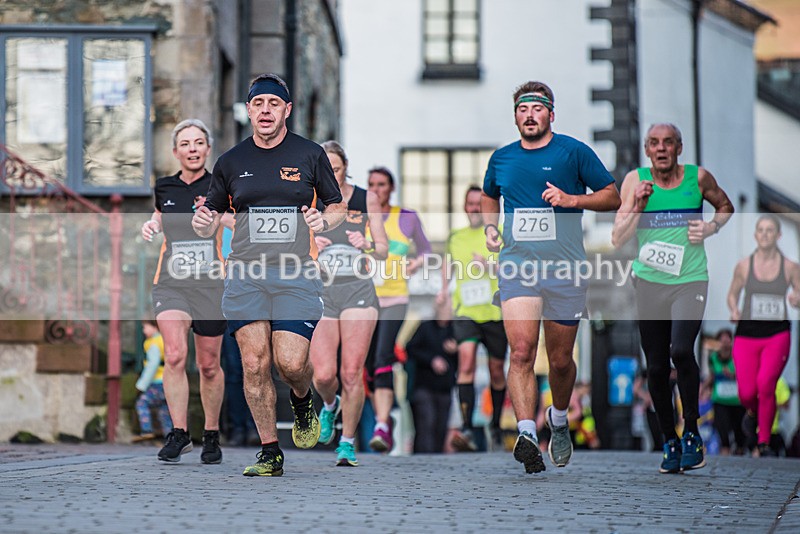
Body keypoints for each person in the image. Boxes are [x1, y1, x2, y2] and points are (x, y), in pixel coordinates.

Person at [192, 73, 345, 477]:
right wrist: (202, 223)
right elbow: (208, 218)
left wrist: (323, 222)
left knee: (291, 363)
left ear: (286, 111)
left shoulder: (310, 155)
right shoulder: (230, 162)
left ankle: (301, 397)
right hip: (245, 272)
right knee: (255, 364)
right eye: (258, 104)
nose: (264, 111)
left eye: (273, 104)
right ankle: (270, 450)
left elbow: (337, 207)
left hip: (295, 273)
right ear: (249, 110)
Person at [482, 81, 621, 474]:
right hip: (517, 266)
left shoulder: (573, 152)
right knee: (522, 351)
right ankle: (527, 433)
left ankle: (558, 419)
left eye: (537, 108)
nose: (529, 115)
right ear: (516, 116)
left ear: (550, 114)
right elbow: (489, 195)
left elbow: (613, 196)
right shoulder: (502, 158)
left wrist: (572, 199)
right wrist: (491, 229)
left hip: (565, 270)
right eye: (522, 109)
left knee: (560, 361)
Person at [613, 122, 734, 473]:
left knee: (681, 350)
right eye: (654, 143)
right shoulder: (636, 182)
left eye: (668, 143)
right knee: (654, 365)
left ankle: (692, 432)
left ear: (679, 148)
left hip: (690, 279)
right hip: (650, 282)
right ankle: (670, 438)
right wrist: (637, 205)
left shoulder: (698, 179)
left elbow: (725, 206)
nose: (661, 148)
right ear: (647, 151)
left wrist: (710, 227)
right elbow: (618, 237)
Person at [141, 118, 228, 464]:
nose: (192, 149)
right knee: (175, 355)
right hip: (171, 283)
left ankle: (210, 434)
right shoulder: (164, 187)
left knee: (208, 365)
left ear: (208, 149)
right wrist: (151, 224)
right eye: (185, 144)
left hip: (209, 285)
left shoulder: (220, 186)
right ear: (175, 151)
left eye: (199, 143)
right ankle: (178, 433)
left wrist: (219, 220)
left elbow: (236, 220)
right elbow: (160, 217)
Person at [310, 141, 389, 466]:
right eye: (325, 169)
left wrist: (367, 243)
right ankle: (330, 405)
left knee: (352, 371)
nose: (332, 174)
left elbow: (384, 248)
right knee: (324, 375)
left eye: (337, 168)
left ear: (345, 168)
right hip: (321, 290)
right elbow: (290, 241)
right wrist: (311, 242)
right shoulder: (309, 199)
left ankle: (347, 442)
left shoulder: (364, 198)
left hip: (357, 288)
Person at [364, 166, 432, 452]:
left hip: (394, 298)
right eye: (371, 184)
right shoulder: (361, 217)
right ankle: (379, 419)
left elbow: (426, 250)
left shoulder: (406, 218)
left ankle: (381, 423)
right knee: (364, 365)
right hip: (363, 299)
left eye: (381, 184)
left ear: (391, 188)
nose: (376, 189)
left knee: (383, 355)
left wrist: (416, 264)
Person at [438, 185, 508, 452]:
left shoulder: (497, 235)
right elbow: (448, 264)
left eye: (479, 204)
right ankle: (467, 427)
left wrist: (490, 266)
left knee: (495, 371)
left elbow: (513, 266)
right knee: (465, 362)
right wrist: (443, 290)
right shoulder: (455, 237)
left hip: (495, 312)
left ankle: (496, 425)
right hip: (466, 310)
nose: (474, 208)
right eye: (470, 204)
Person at [727, 215, 800, 457]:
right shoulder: (744, 266)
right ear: (756, 235)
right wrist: (734, 309)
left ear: (778, 235)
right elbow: (732, 294)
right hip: (747, 335)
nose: (765, 234)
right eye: (761, 230)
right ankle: (752, 412)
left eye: (770, 230)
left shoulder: (789, 267)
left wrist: (795, 298)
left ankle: (764, 442)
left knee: (766, 384)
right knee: (747, 392)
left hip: (776, 334)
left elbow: (799, 291)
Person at [406, 295, 458, 453]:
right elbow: (410, 348)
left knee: (441, 427)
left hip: (445, 387)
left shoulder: (455, 330)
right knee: (425, 424)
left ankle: (436, 463)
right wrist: (431, 360)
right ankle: (422, 461)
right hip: (423, 387)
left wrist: (456, 350)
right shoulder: (425, 327)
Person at [702, 329, 746, 455]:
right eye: (722, 340)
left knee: (739, 430)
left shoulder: (738, 356)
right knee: (722, 428)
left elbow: (745, 373)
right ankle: (725, 450)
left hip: (736, 400)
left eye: (728, 340)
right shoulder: (713, 358)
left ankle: (739, 450)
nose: (725, 344)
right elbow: (712, 376)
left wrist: (733, 375)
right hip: (719, 400)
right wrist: (703, 388)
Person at [133, 320, 172, 442]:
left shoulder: (153, 343)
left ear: (155, 327)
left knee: (142, 403)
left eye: (145, 327)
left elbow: (152, 365)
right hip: (168, 381)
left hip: (157, 382)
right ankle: (170, 435)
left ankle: (147, 430)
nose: (143, 331)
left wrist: (141, 385)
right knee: (164, 408)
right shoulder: (164, 340)